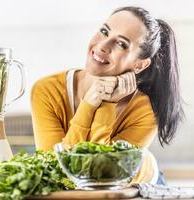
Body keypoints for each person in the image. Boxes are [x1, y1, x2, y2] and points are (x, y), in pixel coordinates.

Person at [30, 6, 184, 184]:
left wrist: (106, 104)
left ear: (139, 65)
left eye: (121, 44)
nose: (102, 46)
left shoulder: (145, 110)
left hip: (140, 186)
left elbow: (102, 174)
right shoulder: (47, 90)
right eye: (104, 31)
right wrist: (89, 103)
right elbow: (55, 172)